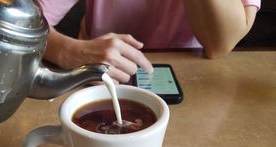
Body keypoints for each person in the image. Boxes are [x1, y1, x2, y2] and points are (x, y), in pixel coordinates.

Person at [38, 0, 261, 83]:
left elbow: (220, 44)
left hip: (197, 84)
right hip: (105, 79)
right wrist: (69, 51)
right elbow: (23, 23)